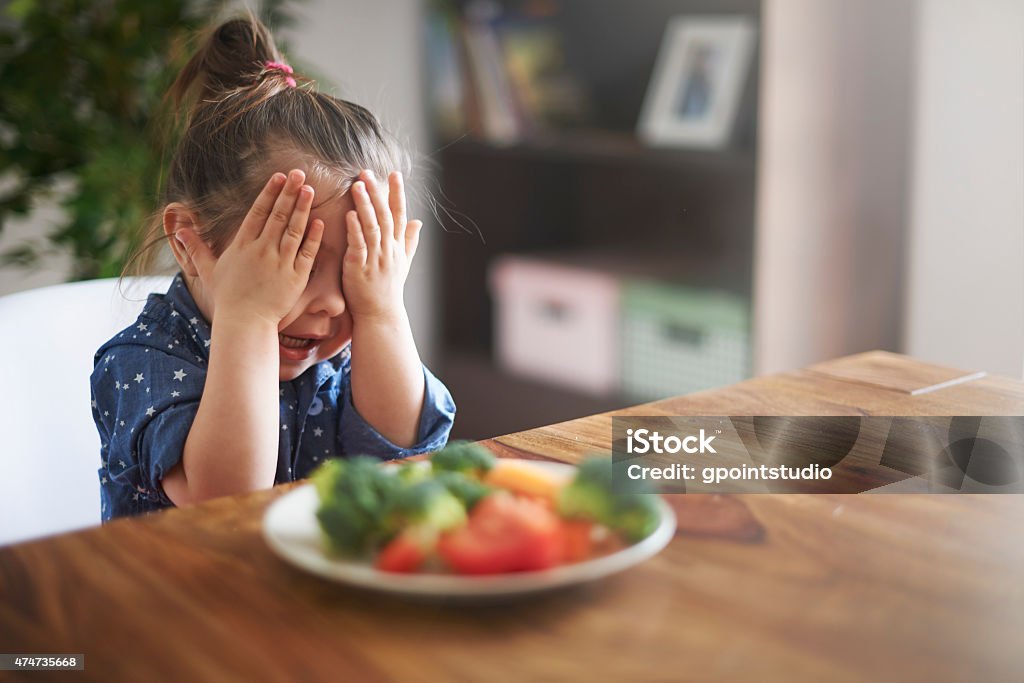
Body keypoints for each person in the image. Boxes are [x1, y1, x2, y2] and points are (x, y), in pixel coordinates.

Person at [91, 17, 455, 521]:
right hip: (176, 593)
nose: (332, 302)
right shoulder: (142, 361)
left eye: (355, 271)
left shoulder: (346, 348)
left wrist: (381, 311)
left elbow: (406, 450)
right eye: (298, 268)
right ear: (190, 243)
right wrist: (250, 320)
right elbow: (226, 499)